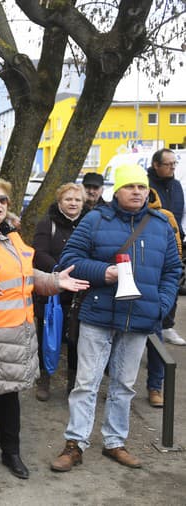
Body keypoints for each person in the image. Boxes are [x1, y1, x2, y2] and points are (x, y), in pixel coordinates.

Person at [0, 178, 88, 482]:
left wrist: (53, 281)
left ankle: (12, 453)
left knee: (11, 399)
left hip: (15, 335)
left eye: (3, 200)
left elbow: (26, 276)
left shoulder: (12, 237)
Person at [51, 164, 181, 472]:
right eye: (129, 186)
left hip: (139, 319)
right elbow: (68, 261)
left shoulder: (160, 225)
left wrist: (160, 306)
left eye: (141, 186)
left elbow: (173, 270)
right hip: (98, 315)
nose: (137, 191)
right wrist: (102, 272)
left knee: (124, 385)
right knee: (86, 383)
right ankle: (75, 443)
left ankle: (114, 442)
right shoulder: (95, 220)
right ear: (116, 192)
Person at [31, 183, 86, 401]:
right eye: (68, 199)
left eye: (77, 200)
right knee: (47, 336)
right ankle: (44, 379)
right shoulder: (48, 223)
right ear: (60, 201)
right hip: (51, 289)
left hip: (79, 290)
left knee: (75, 338)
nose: (73, 203)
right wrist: (59, 273)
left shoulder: (88, 223)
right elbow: (39, 253)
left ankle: (73, 381)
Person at [146, 149, 185, 348]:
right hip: (153, 242)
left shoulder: (176, 185)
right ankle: (153, 327)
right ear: (156, 165)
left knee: (172, 284)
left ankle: (167, 325)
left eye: (174, 164)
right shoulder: (146, 185)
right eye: (168, 164)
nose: (172, 167)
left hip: (175, 241)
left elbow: (178, 215)